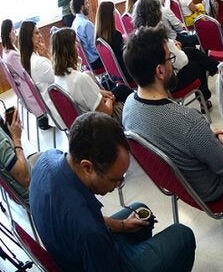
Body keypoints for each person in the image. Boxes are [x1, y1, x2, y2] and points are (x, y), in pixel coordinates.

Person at [30, 112, 196, 271]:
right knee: (182, 235)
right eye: (115, 179)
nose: (119, 185)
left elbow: (83, 219)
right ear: (87, 167)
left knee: (140, 211)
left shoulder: (47, 158)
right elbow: (87, 228)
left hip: (74, 250)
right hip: (97, 263)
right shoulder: (89, 232)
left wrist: (122, 225)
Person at [122, 26, 223, 209]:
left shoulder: (129, 106)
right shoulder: (187, 119)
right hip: (211, 189)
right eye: (170, 58)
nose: (173, 63)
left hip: (182, 187)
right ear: (160, 71)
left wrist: (205, 135)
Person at [133, 0, 216, 107]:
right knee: (197, 64)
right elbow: (182, 61)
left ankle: (213, 67)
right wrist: (177, 49)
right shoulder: (158, 37)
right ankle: (205, 100)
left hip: (150, 83)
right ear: (157, 14)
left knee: (191, 51)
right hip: (169, 83)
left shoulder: (137, 36)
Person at [51, 28, 124, 122]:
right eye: (74, 43)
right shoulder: (80, 79)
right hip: (102, 124)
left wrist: (100, 92)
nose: (77, 46)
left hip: (84, 121)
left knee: (120, 89)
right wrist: (110, 100)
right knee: (126, 93)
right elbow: (106, 113)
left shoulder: (58, 77)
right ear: (69, 49)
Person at [3, 20, 51, 129]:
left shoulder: (6, 52)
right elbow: (26, 72)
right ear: (7, 33)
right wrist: (44, 56)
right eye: (12, 30)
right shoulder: (12, 55)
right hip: (29, 90)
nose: (15, 32)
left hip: (25, 89)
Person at [17, 20, 54, 129]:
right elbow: (60, 77)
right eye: (37, 33)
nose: (41, 36)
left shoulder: (28, 58)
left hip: (49, 99)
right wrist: (47, 55)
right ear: (29, 37)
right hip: (56, 104)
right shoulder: (38, 62)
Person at [0, 108, 34, 201]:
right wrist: (16, 138)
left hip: (18, 194)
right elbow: (26, 179)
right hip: (33, 192)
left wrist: (10, 131)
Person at [95, 0, 129, 78]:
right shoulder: (115, 35)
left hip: (114, 74)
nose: (115, 14)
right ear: (110, 15)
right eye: (114, 12)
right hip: (126, 74)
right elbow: (124, 59)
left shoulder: (98, 36)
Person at [70, 0, 103, 70]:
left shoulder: (74, 23)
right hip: (95, 61)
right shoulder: (86, 25)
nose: (89, 5)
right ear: (81, 7)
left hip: (85, 62)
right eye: (87, 3)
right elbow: (95, 48)